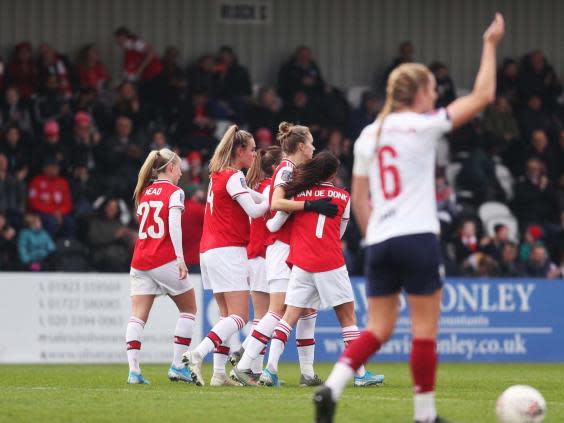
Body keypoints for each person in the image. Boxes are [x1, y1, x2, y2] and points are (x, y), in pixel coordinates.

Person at [314, 13, 505, 423]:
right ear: (417, 93)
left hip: (380, 241)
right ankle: (424, 415)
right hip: (418, 237)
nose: (435, 97)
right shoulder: (423, 126)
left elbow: (360, 199)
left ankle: (331, 388)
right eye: (433, 89)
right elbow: (484, 95)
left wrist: (374, 237)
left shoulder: (370, 134)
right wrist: (489, 44)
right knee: (423, 331)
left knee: (376, 328)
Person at [234, 152, 384, 388]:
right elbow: (340, 232)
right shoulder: (343, 197)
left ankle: (269, 370)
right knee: (347, 318)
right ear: (333, 174)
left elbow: (274, 218)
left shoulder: (298, 193)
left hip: (301, 263)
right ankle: (360, 374)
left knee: (288, 318)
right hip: (329, 261)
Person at [230, 122, 337, 387]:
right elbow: (277, 206)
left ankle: (307, 373)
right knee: (277, 311)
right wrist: (310, 205)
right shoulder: (286, 170)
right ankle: (244, 363)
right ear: (301, 146)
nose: (313, 147)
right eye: (311, 142)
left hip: (291, 249)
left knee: (307, 310)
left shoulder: (292, 170)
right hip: (281, 248)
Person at [182, 126, 269, 387]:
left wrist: (268, 195)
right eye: (252, 149)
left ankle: (218, 373)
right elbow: (255, 211)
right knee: (240, 316)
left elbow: (255, 196)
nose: (255, 154)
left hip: (209, 250)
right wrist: (274, 201)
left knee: (225, 315)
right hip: (228, 249)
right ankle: (197, 354)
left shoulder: (218, 175)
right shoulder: (233, 176)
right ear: (240, 151)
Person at [126, 148, 197, 385]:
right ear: (170, 168)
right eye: (178, 168)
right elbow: (174, 226)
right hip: (163, 258)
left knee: (138, 317)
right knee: (189, 310)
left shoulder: (144, 191)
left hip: (140, 260)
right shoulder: (175, 192)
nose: (180, 173)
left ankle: (134, 371)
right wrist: (180, 258)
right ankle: (178, 366)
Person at [228, 146, 283, 381]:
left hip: (253, 254)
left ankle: (255, 368)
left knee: (263, 316)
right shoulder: (272, 188)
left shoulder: (254, 187)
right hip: (263, 253)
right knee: (269, 315)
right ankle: (245, 355)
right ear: (274, 167)